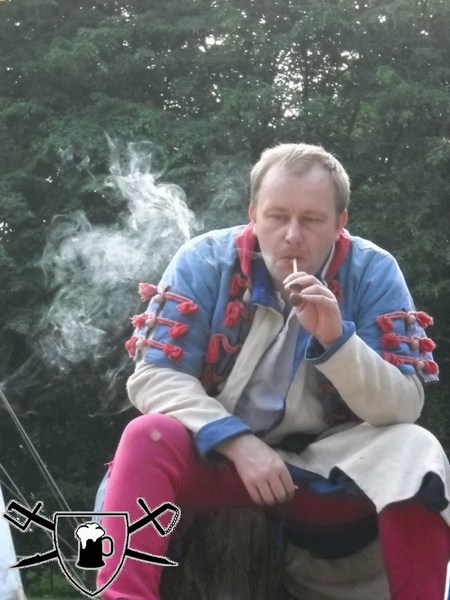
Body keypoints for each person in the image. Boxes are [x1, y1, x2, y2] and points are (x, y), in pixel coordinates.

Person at [97, 143, 450, 600]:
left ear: (340, 223)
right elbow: (153, 376)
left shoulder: (373, 271)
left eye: (312, 219)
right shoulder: (203, 259)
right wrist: (237, 442)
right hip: (216, 458)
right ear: (253, 215)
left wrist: (337, 342)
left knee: (417, 450)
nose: (292, 235)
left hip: (321, 470)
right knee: (148, 435)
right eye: (277, 216)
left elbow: (404, 406)